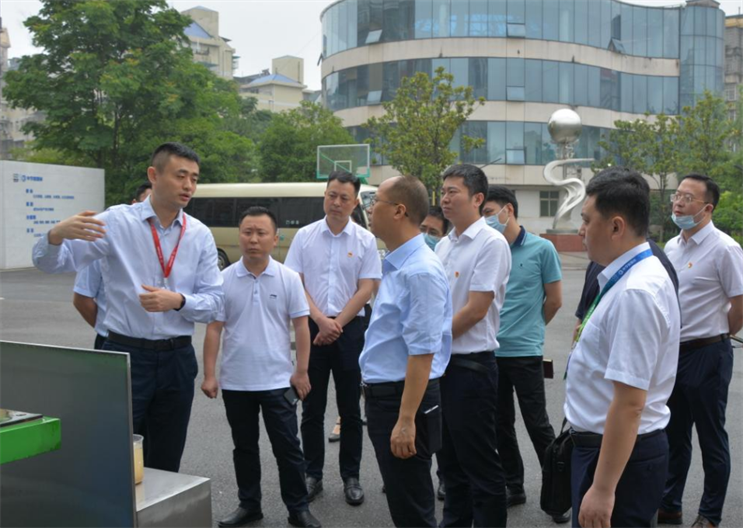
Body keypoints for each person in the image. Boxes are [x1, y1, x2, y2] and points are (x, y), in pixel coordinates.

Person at [33, 142, 223, 472]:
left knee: (166, 455)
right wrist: (55, 236)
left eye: (194, 178)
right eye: (180, 176)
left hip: (177, 358)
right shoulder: (116, 222)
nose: (189, 186)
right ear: (154, 175)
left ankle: (159, 505)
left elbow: (215, 303)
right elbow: (51, 264)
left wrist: (178, 301)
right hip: (125, 354)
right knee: (114, 451)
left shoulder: (200, 235)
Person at [565, 167, 680, 528]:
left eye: (587, 220)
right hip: (611, 451)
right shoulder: (628, 275)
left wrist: (602, 489)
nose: (580, 230)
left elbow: (630, 403)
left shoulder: (636, 292)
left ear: (616, 226)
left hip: (617, 458)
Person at [201, 206, 321, 528]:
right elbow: (214, 329)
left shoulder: (288, 278)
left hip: (278, 381)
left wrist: (302, 371)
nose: (253, 239)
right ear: (239, 235)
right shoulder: (223, 279)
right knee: (244, 448)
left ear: (275, 238)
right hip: (236, 381)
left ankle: (298, 509)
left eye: (261, 233)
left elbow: (301, 327)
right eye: (247, 232)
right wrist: (210, 375)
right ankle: (249, 505)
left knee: (288, 449)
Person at [284, 171, 382, 506]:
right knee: (311, 407)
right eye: (331, 195)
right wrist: (320, 320)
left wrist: (336, 323)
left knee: (350, 408)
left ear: (355, 203)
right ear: (324, 196)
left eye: (344, 198)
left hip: (350, 331)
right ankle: (312, 474)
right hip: (312, 329)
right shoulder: (305, 236)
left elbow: (367, 288)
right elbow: (295, 282)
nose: (336, 202)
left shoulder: (365, 240)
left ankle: (351, 476)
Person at [361, 175, 452, 528]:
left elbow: (423, 353)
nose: (370, 209)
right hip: (388, 397)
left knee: (412, 508)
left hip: (402, 400)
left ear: (399, 211)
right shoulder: (399, 263)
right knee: (404, 501)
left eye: (376, 202)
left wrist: (405, 420)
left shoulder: (419, 271)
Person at [658, 174, 743, 528]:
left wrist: (719, 334)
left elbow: (739, 302)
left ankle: (709, 514)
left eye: (687, 198)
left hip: (708, 353)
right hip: (673, 353)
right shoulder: (672, 246)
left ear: (707, 208)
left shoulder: (725, 248)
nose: (678, 203)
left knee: (711, 437)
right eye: (677, 195)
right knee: (673, 434)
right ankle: (670, 504)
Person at [482, 186, 568, 524]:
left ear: (508, 210)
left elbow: (555, 300)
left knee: (537, 423)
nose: (485, 219)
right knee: (500, 423)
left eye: (489, 212)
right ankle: (513, 485)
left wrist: (531, 328)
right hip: (491, 350)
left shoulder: (541, 248)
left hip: (524, 352)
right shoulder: (488, 249)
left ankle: (558, 495)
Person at [435, 164, 511, 528]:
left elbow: (477, 309)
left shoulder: (491, 243)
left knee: (479, 464)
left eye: (453, 192)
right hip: (441, 365)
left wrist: (430, 341)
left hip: (471, 367)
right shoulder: (443, 244)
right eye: (443, 192)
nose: (445, 199)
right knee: (449, 464)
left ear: (478, 198)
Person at [72, 182, 152, 350]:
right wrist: (106, 331)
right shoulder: (104, 240)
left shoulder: (170, 243)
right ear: (134, 204)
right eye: (148, 203)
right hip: (113, 341)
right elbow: (82, 298)